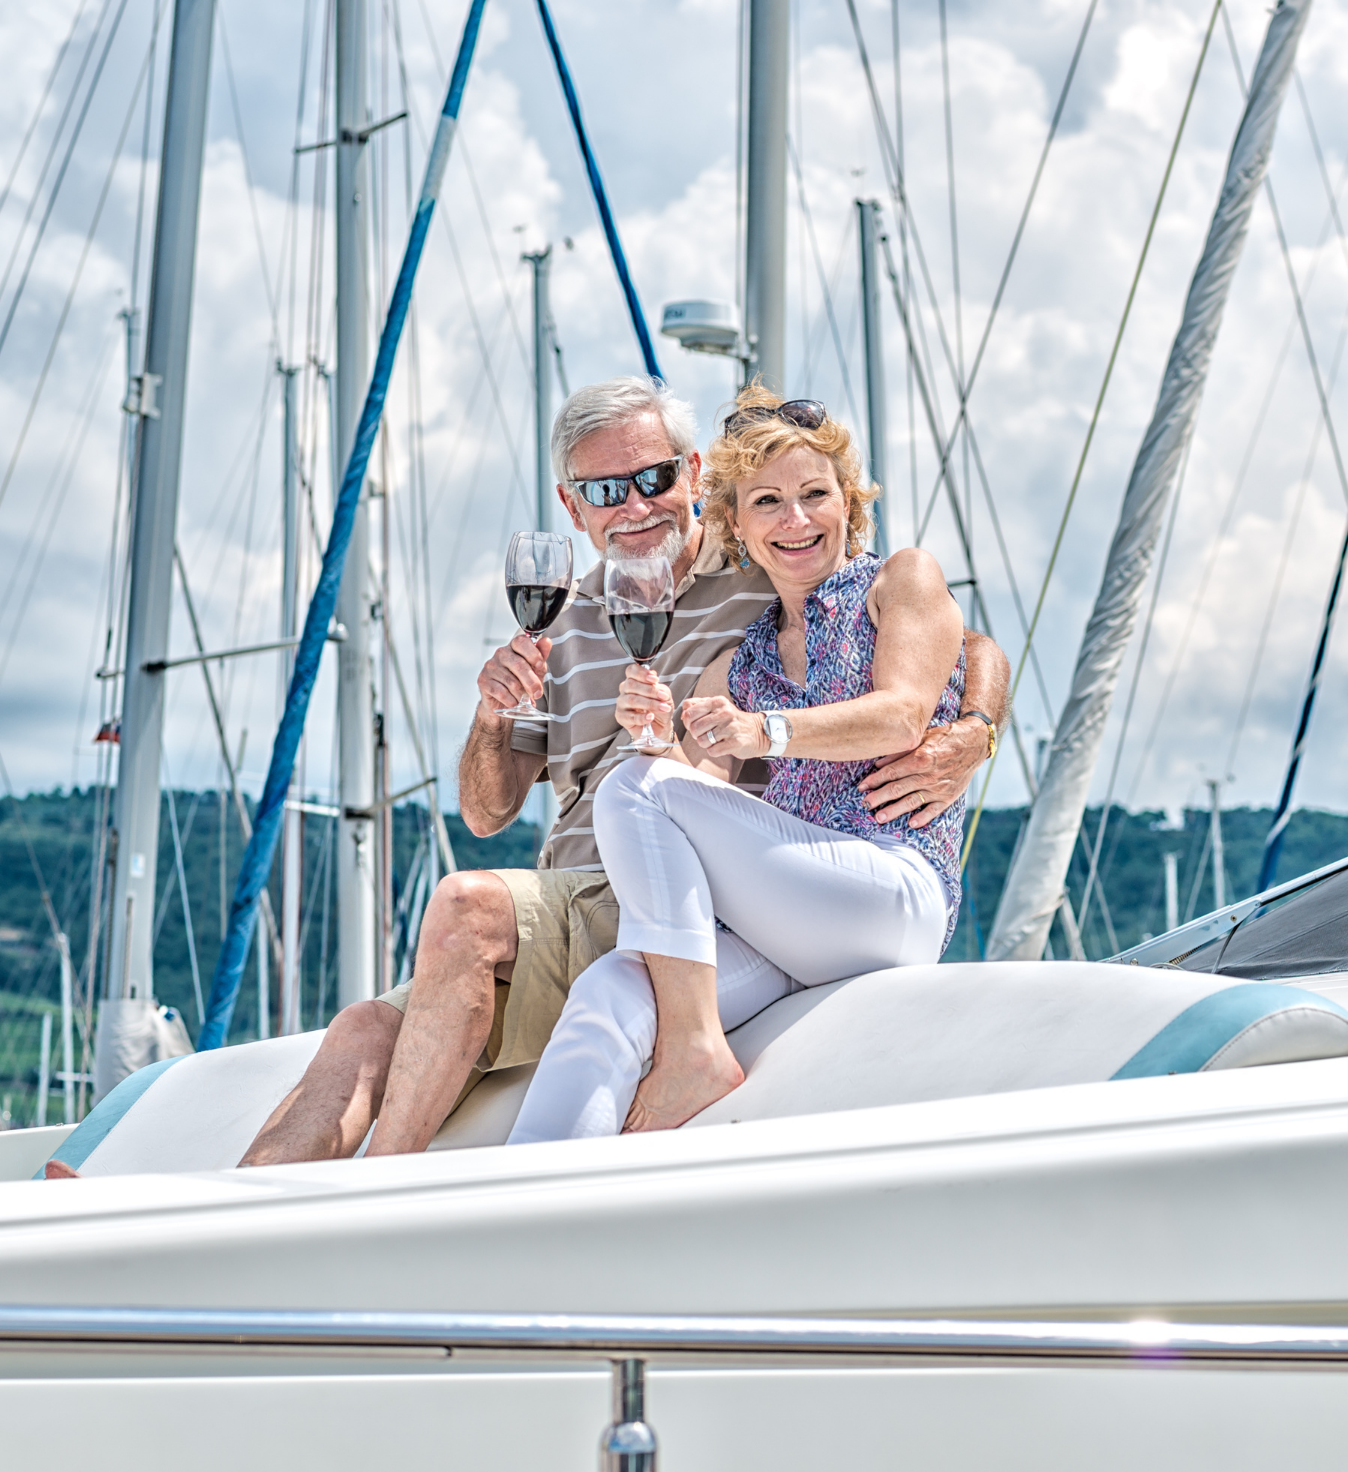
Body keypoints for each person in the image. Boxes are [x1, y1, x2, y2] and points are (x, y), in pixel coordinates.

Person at [236, 379, 1008, 1165]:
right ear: (574, 509)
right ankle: (229, 1237)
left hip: (687, 885)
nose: (636, 505)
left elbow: (961, 649)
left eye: (655, 478)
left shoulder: (764, 571)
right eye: (607, 490)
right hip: (570, 902)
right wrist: (495, 713)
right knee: (364, 1030)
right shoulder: (574, 617)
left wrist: (975, 731)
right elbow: (485, 812)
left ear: (697, 480)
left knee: (472, 903)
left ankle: (385, 1194)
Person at [506, 398, 969, 1140]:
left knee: (635, 787)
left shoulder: (898, 582)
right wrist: (654, 729)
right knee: (611, 993)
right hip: (793, 921)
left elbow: (903, 714)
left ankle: (694, 1050)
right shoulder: (745, 655)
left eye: (815, 494)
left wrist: (763, 731)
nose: (796, 520)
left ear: (848, 501)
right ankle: (520, 1217)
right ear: (736, 526)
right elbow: (690, 781)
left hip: (891, 894)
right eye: (768, 503)